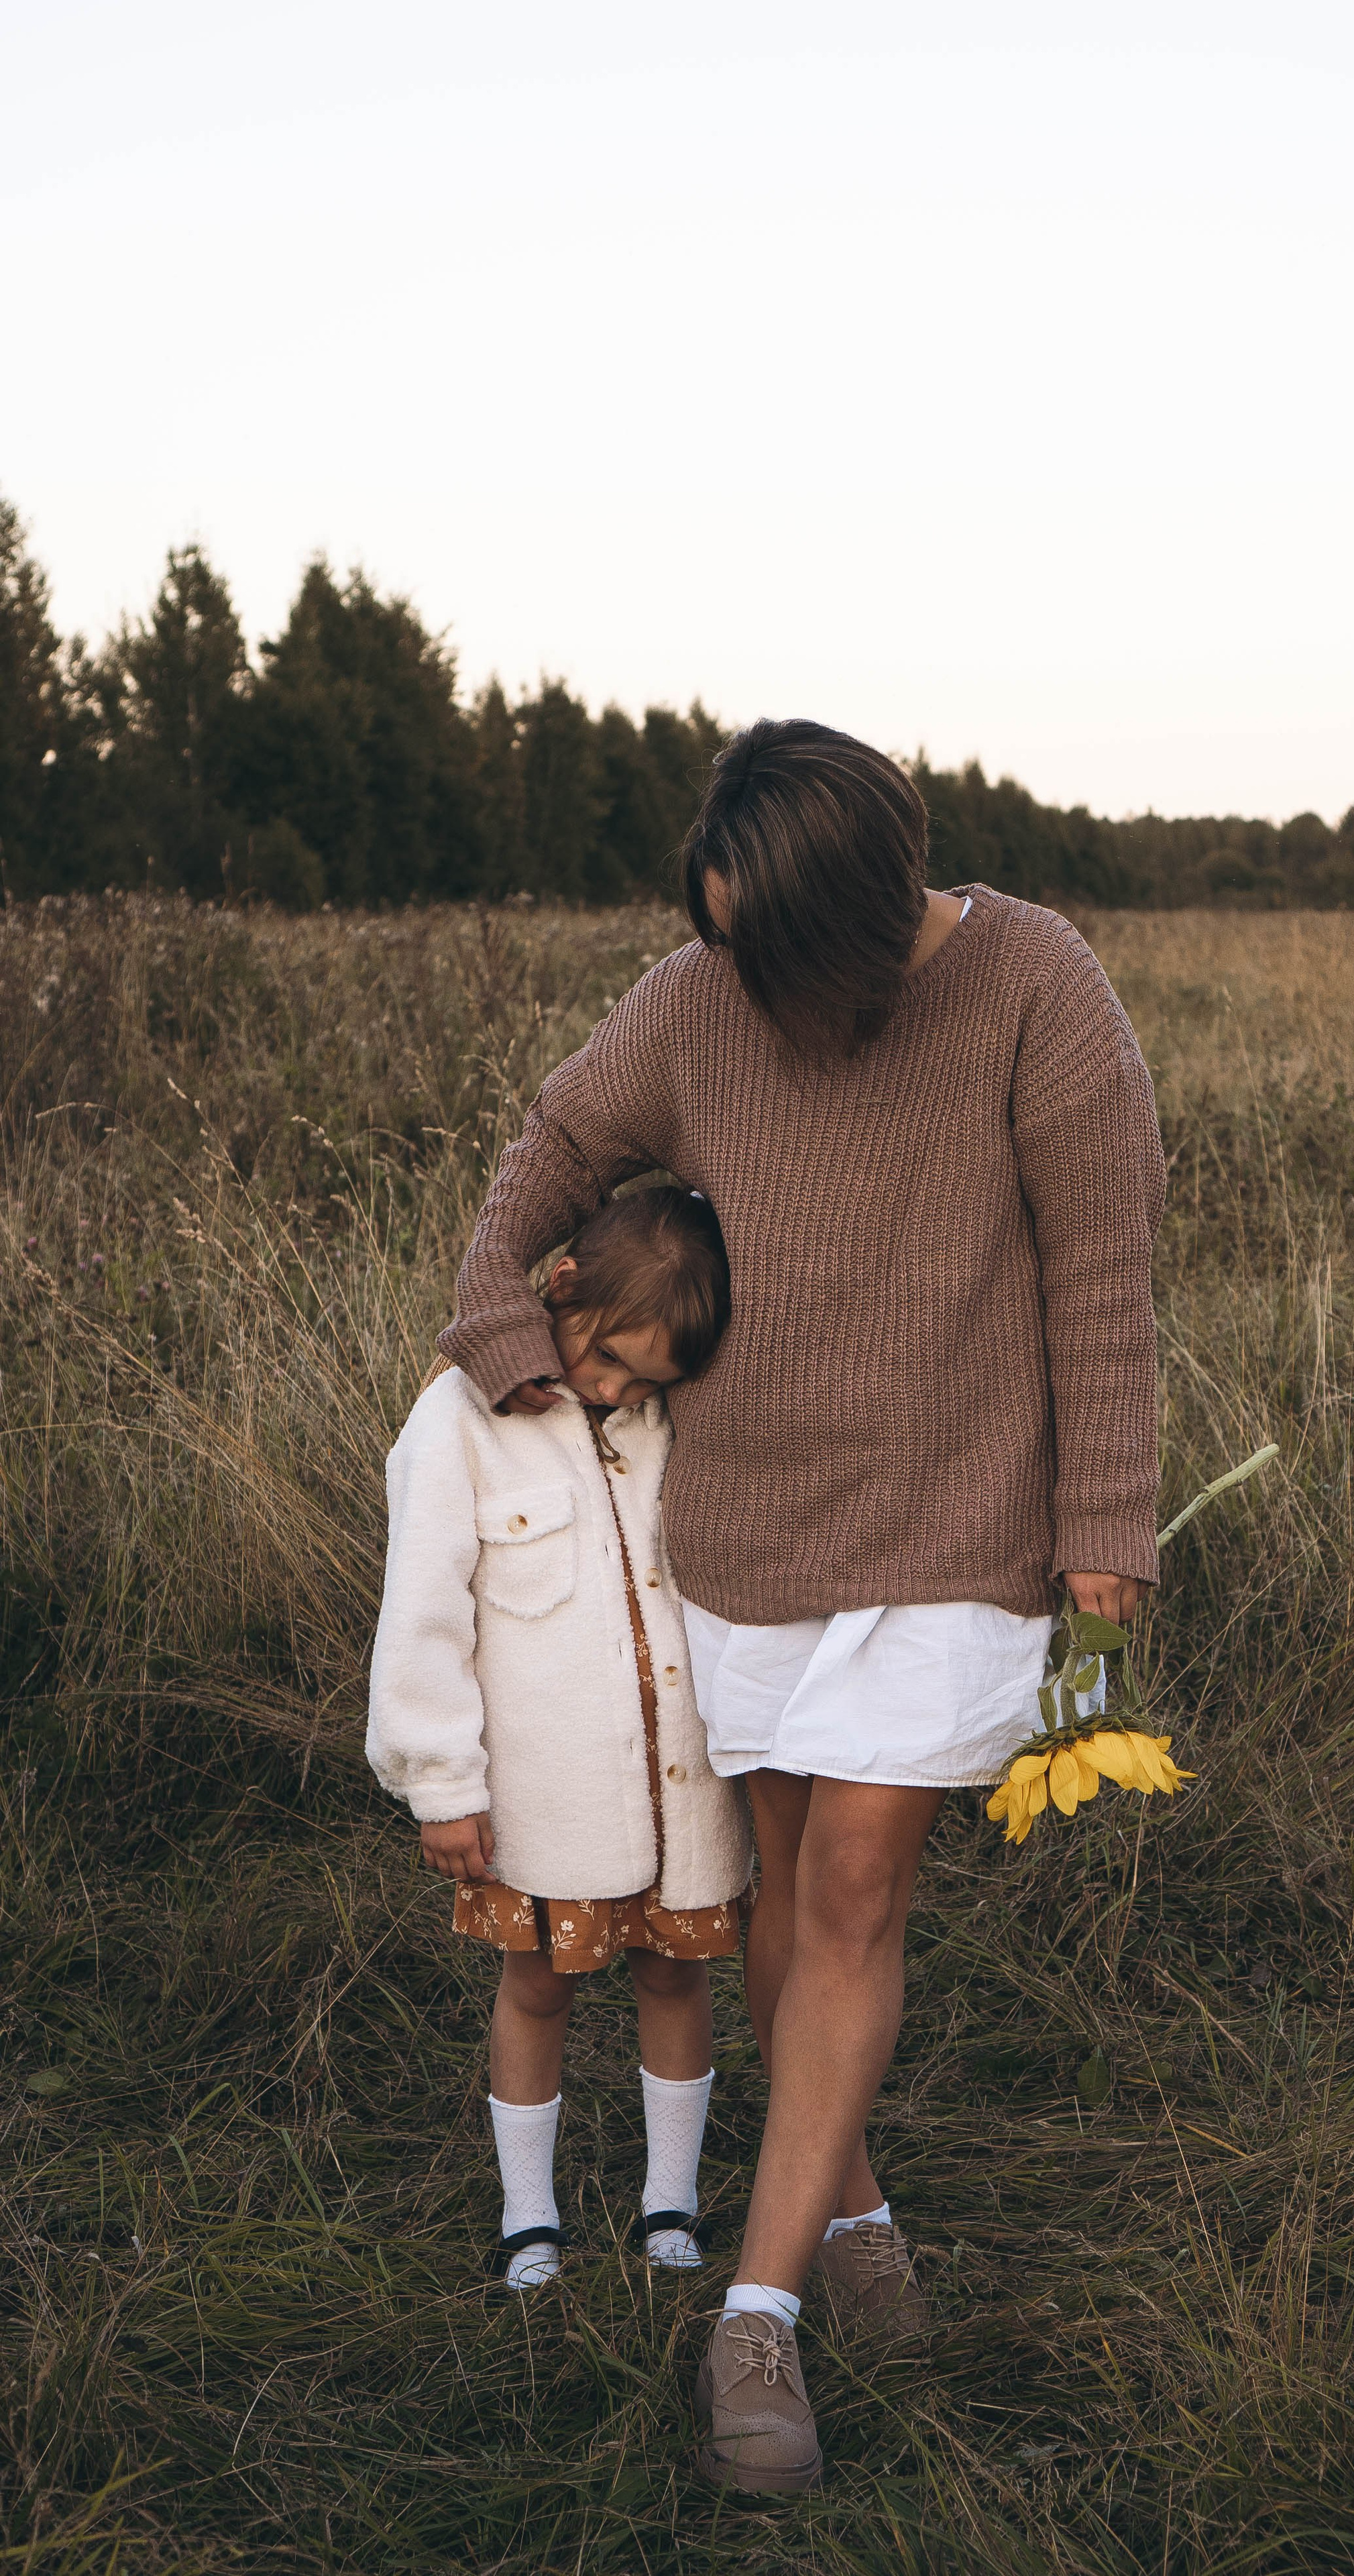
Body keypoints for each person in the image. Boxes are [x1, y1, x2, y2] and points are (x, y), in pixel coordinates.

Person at [439, 719, 1166, 2492]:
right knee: (779, 1897)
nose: (731, 971)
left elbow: (1102, 1267)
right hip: (749, 1538)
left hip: (955, 1528)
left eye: (758, 942)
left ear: (845, 918)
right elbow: (557, 1136)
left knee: (851, 1892)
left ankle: (752, 2323)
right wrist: (500, 1322)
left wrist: (1105, 1522)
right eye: (717, 937)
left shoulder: (1034, 986)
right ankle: (849, 2211)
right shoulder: (699, 1001)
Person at [367, 1186, 752, 2288]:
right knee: (536, 1985)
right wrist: (442, 1782)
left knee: (675, 1980)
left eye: (647, 1381)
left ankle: (669, 2204)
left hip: (684, 1789)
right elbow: (423, 1616)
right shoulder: (458, 1421)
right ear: (561, 1285)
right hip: (547, 1794)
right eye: (610, 1358)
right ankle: (528, 2215)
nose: (617, 1389)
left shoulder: (679, 1422)